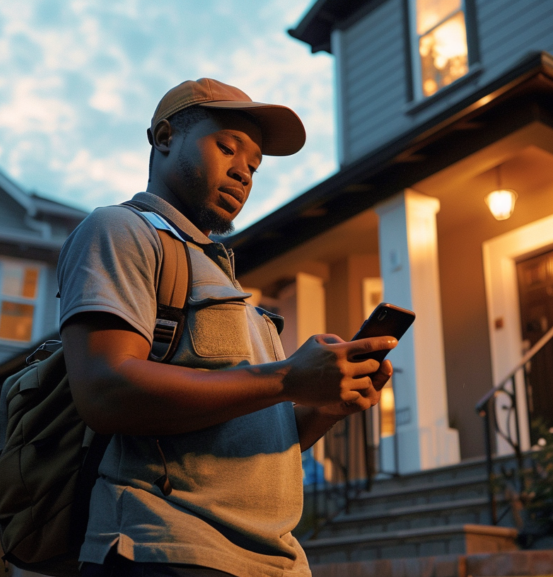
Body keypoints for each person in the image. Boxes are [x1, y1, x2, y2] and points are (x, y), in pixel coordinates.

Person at [57, 78, 395, 577]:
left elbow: (239, 444)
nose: (244, 172)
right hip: (168, 552)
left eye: (254, 165)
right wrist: (286, 379)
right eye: (227, 148)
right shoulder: (121, 230)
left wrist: (322, 409)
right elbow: (104, 391)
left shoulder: (237, 294)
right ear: (166, 137)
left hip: (273, 562)